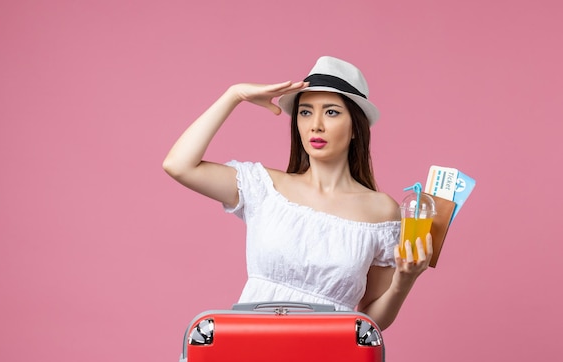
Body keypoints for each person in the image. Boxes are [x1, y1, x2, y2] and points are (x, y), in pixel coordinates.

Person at [162, 56, 432, 330]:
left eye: (331, 112)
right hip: (251, 352)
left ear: (355, 128)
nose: (316, 124)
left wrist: (404, 281)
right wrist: (235, 94)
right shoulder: (264, 187)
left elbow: (370, 321)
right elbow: (178, 165)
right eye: (305, 112)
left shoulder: (381, 211)